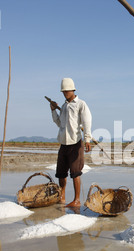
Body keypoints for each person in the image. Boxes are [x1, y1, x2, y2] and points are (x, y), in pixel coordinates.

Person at [49, 78, 92, 207]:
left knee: (75, 173)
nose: (65, 93)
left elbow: (86, 122)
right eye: (63, 91)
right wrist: (53, 110)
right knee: (61, 172)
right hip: (64, 143)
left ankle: (77, 199)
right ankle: (62, 196)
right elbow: (58, 123)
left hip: (75, 143)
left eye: (67, 91)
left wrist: (88, 139)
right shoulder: (63, 107)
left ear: (73, 90)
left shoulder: (80, 104)